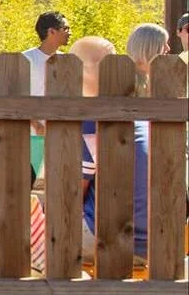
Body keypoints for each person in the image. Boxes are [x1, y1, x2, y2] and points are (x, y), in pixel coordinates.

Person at [71, 36, 150, 265]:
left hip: (109, 238)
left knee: (36, 232)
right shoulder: (144, 117)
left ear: (83, 72)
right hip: (157, 240)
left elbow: (73, 194)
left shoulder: (90, 123)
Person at [126, 22, 170, 92]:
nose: (168, 48)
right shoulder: (125, 79)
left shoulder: (154, 78)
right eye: (163, 44)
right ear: (149, 46)